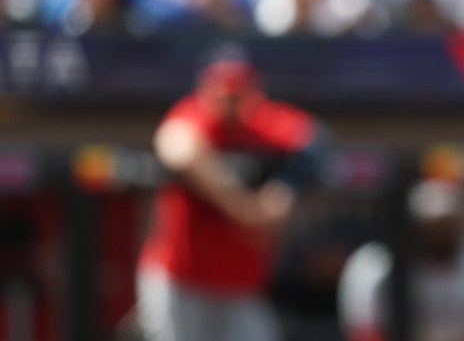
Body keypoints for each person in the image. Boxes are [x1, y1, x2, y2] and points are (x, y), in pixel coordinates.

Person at [135, 56, 330, 341]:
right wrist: (242, 209)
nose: (228, 103)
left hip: (240, 287)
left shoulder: (263, 122)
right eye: (221, 94)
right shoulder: (192, 115)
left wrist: (284, 191)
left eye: (237, 95)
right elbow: (176, 147)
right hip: (181, 282)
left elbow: (316, 141)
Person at [338, 178, 464, 341]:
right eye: (432, 225)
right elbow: (364, 334)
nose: (440, 233)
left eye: (447, 224)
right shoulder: (373, 267)